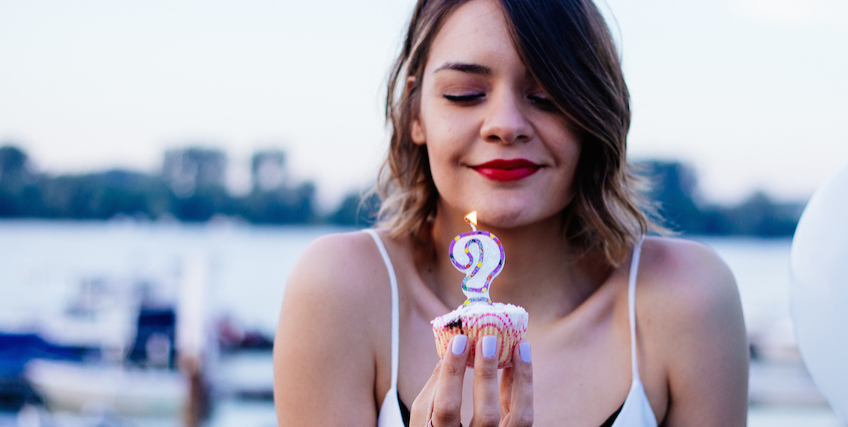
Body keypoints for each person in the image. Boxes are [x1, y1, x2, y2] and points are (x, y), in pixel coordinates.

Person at [273, 0, 748, 425]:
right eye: (464, 93)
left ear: (594, 111)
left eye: (546, 96)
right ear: (416, 113)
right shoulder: (343, 290)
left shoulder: (687, 299)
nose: (505, 125)